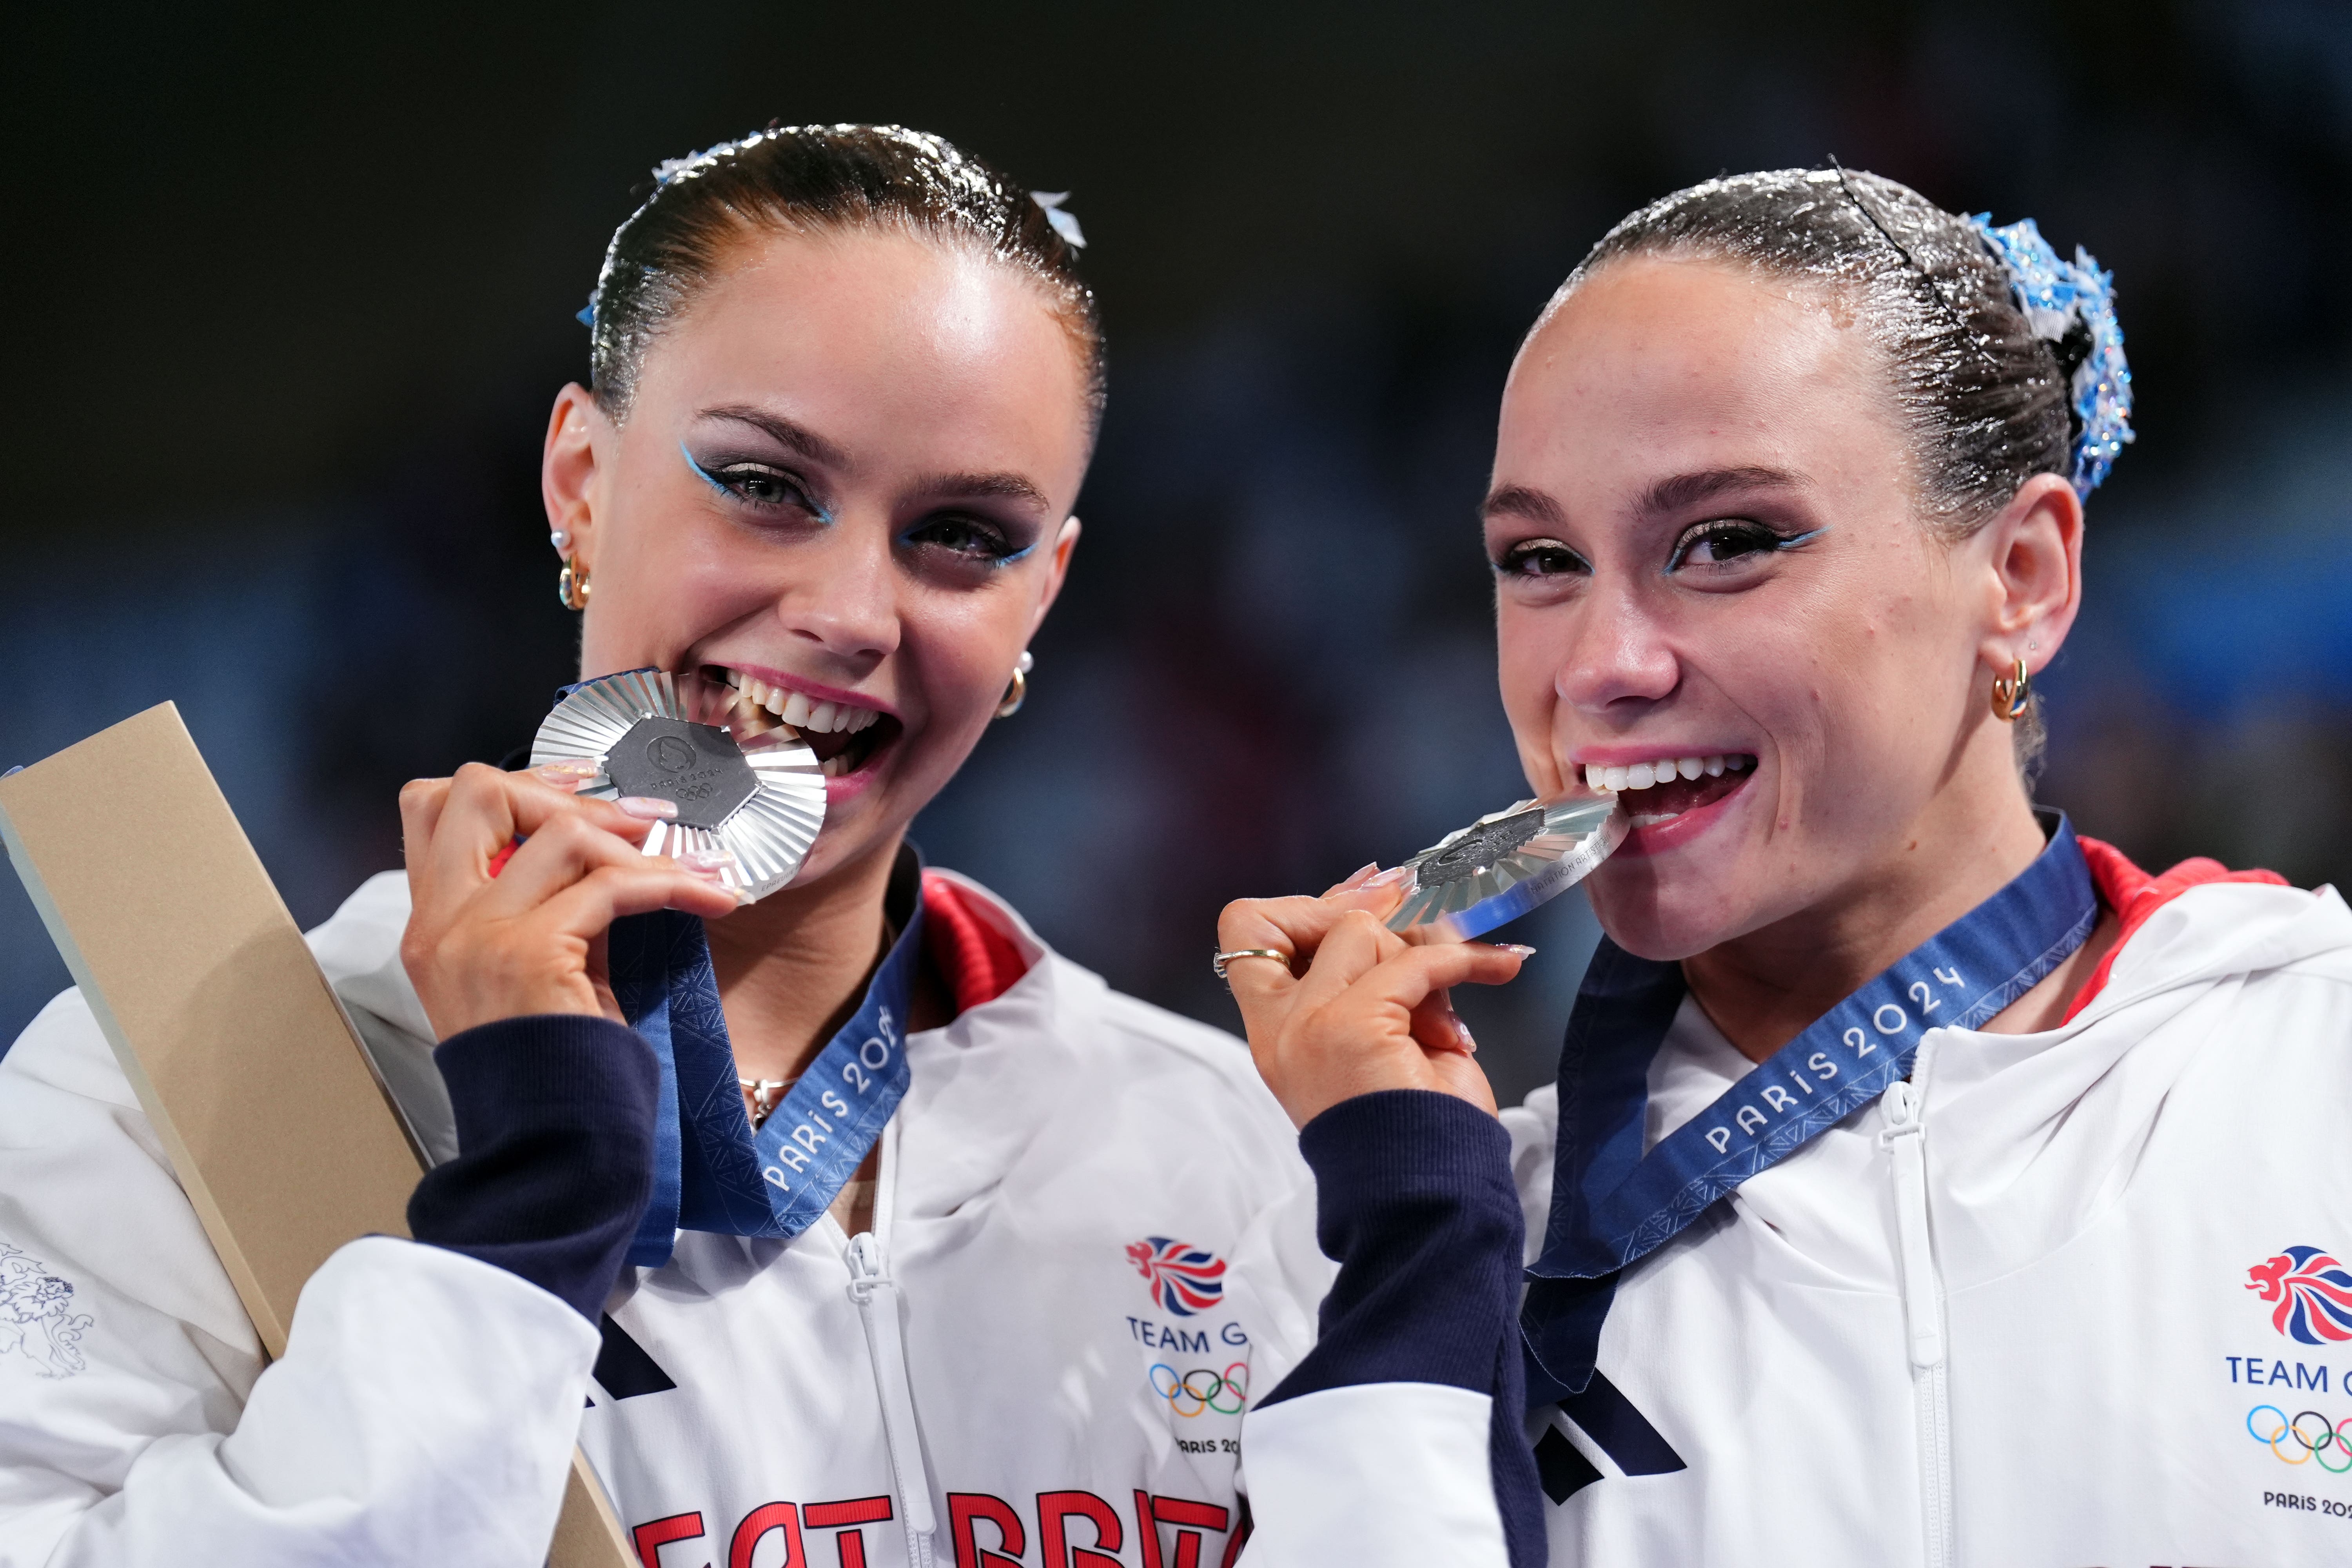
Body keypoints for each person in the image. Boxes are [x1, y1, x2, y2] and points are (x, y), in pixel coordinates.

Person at [0, 125, 1339, 1568]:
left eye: (962, 533)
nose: (850, 613)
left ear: (1043, 598)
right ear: (581, 478)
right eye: (766, 486)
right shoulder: (169, 1094)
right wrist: (515, 1233)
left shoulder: (1240, 1147)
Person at [1219, 168, 2352, 1567]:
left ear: (2024, 580)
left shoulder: (2317, 1069)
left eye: (1728, 542)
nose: (1600, 668)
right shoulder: (1417, 1229)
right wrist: (1414, 1241)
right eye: (1541, 559)